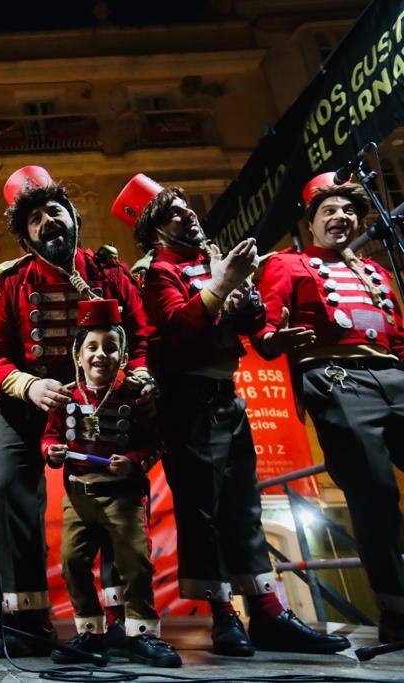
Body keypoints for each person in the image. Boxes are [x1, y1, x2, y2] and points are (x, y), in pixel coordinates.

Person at [117, 172, 349, 655]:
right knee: (202, 511)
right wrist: (223, 285)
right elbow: (178, 327)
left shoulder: (211, 259)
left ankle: (266, 611)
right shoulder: (156, 271)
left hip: (226, 393)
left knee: (243, 505)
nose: (188, 216)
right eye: (173, 213)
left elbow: (248, 320)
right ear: (156, 231)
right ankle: (224, 614)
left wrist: (258, 315)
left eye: (186, 208)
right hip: (185, 399)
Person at [0, 165, 154, 657]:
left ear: (72, 215)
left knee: (117, 499)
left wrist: (132, 376)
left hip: (102, 402)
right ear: (24, 234)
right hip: (30, 404)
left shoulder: (109, 273)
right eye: (34, 218)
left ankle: (121, 620)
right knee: (7, 483)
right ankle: (26, 617)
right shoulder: (10, 283)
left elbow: (140, 337)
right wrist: (28, 386)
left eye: (54, 210)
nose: (47, 222)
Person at [252, 173, 404, 644]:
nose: (341, 218)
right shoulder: (287, 264)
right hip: (337, 378)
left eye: (347, 211)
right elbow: (266, 324)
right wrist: (275, 340)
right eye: (329, 212)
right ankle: (396, 610)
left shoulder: (376, 270)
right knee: (374, 492)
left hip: (393, 375)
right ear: (312, 223)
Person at [42, 298, 180, 668]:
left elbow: (157, 442)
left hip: (122, 497)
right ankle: (91, 629)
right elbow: (50, 436)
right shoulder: (67, 396)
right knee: (72, 562)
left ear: (122, 354)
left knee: (135, 563)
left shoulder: (133, 398)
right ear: (77, 354)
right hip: (79, 496)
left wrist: (132, 462)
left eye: (109, 347)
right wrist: (51, 452)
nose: (100, 355)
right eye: (91, 347)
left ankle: (142, 634)